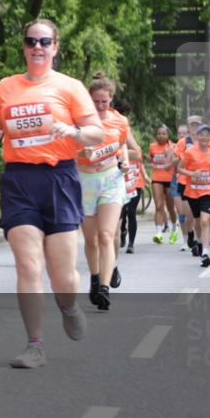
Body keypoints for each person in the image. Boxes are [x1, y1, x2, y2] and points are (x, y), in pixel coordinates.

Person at [0, 19, 102, 368]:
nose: (37, 47)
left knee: (62, 275)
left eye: (45, 42)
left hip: (59, 179)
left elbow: (97, 133)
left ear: (55, 47)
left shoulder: (70, 87)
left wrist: (73, 131)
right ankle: (35, 345)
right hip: (19, 180)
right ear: (24, 46)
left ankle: (68, 305)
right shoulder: (6, 87)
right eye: (31, 41)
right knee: (29, 265)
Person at [76, 73, 129, 310]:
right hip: (85, 181)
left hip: (111, 179)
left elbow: (121, 145)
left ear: (111, 100)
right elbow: (66, 151)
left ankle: (105, 289)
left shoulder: (120, 122)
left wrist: (124, 161)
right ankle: (95, 277)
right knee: (91, 240)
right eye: (95, 101)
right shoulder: (78, 121)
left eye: (104, 102)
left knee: (107, 235)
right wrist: (81, 154)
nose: (99, 106)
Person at [177, 124, 210, 267]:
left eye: (207, 135)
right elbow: (178, 169)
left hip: (208, 191)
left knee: (204, 220)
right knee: (197, 221)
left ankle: (205, 253)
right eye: (201, 135)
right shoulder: (190, 152)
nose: (204, 137)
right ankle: (199, 241)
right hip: (193, 191)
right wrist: (192, 174)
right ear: (197, 137)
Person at [173, 117, 204, 255]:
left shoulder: (205, 142)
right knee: (189, 215)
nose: (194, 127)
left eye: (197, 124)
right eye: (192, 125)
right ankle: (190, 234)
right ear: (189, 127)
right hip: (185, 182)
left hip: (200, 184)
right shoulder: (183, 142)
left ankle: (199, 241)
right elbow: (176, 160)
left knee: (199, 217)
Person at [149, 126, 179, 244]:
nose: (161, 136)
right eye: (159, 133)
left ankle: (174, 228)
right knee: (158, 206)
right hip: (157, 178)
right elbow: (151, 159)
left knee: (171, 207)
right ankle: (159, 233)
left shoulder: (173, 146)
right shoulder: (152, 146)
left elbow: (177, 161)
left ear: (168, 135)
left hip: (170, 179)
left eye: (163, 134)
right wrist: (153, 165)